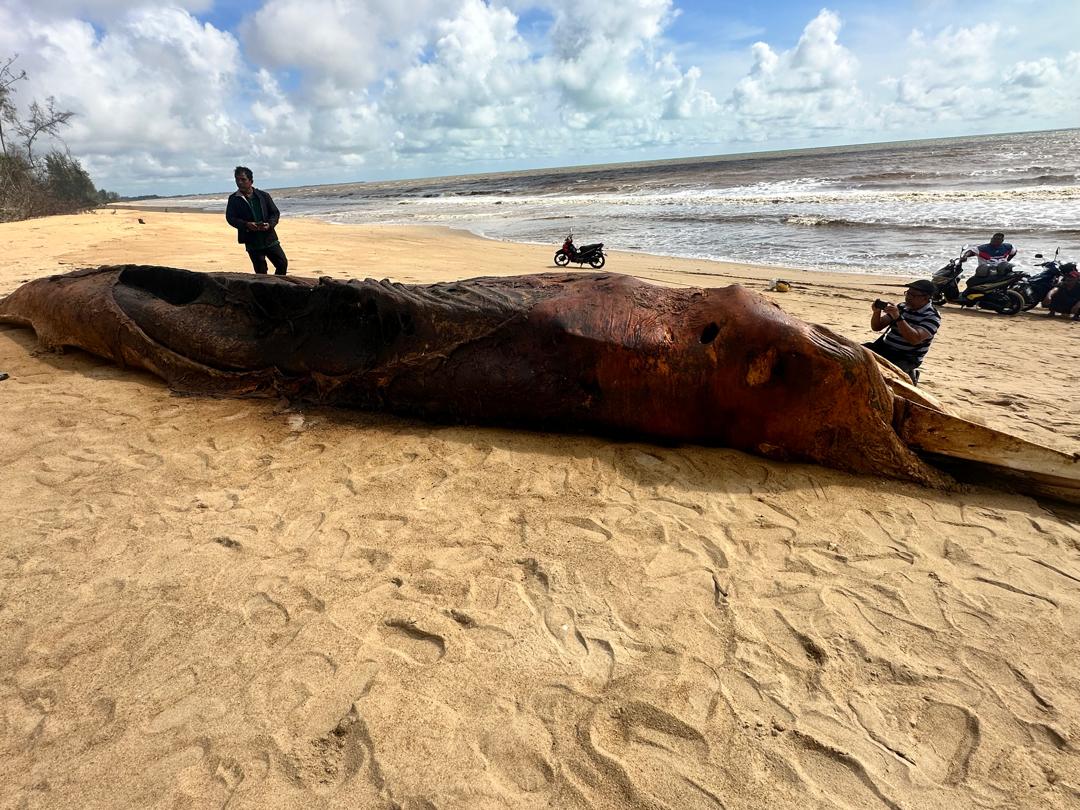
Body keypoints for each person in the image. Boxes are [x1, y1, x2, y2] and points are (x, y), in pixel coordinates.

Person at [864, 279, 941, 384]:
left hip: (907, 356)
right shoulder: (902, 307)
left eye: (913, 295)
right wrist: (876, 312)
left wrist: (898, 318)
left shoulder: (932, 317)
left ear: (926, 298)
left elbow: (914, 339)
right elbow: (877, 327)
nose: (908, 297)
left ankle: (911, 375)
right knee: (854, 354)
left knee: (886, 378)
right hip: (884, 347)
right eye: (908, 293)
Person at [225, 166, 288, 275]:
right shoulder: (234, 199)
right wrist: (246, 224)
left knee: (282, 263)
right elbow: (230, 218)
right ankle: (265, 290)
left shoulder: (263, 196)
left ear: (251, 181)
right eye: (237, 179)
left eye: (243, 179)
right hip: (252, 241)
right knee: (261, 272)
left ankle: (276, 288)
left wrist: (269, 224)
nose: (239, 182)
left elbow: (275, 213)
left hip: (269, 238)